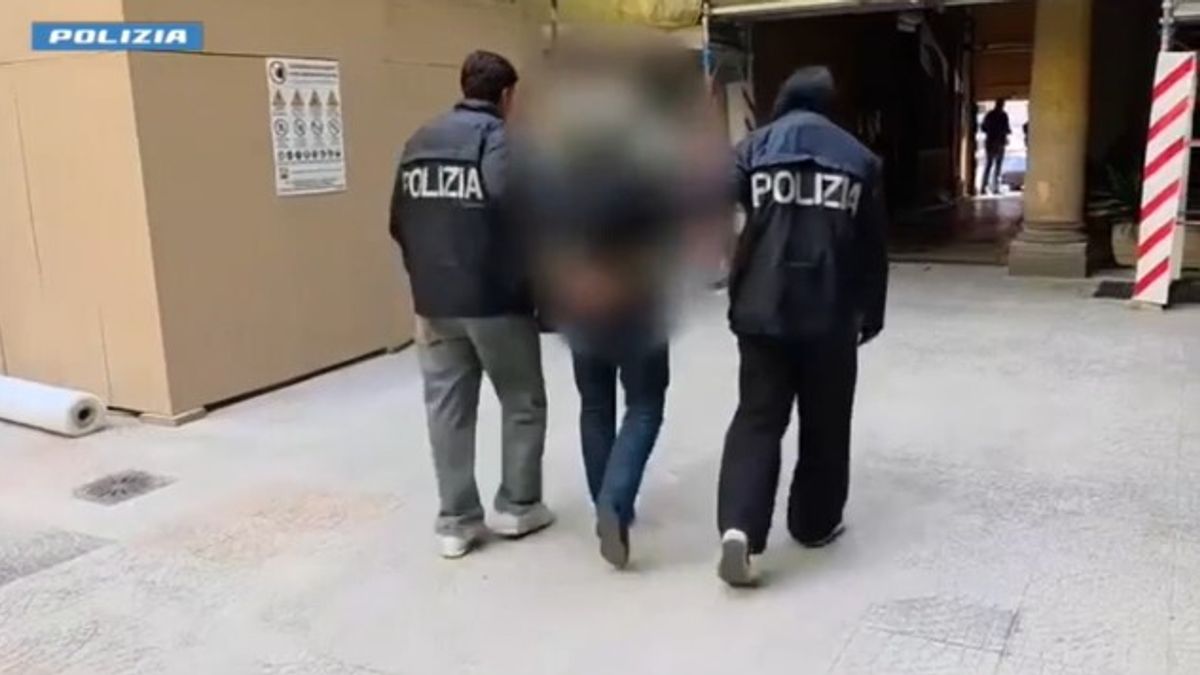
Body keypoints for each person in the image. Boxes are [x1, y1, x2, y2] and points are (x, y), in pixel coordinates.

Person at [716, 66, 888, 587]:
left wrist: (733, 273)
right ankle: (814, 523)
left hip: (761, 308)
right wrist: (871, 312)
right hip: (830, 313)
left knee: (757, 417)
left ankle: (740, 529)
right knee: (826, 421)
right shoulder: (859, 159)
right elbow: (872, 246)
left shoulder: (752, 149)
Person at [390, 51, 554, 560]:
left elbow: (398, 221)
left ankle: (456, 522)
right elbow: (517, 207)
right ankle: (518, 507)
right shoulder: (501, 139)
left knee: (447, 410)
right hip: (494, 299)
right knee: (522, 402)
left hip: (433, 302)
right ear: (507, 95)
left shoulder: (419, 140)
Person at [980, 99, 1011, 194]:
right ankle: (995, 187)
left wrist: (991, 132)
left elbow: (983, 128)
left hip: (990, 142)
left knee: (989, 164)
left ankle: (984, 187)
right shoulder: (1003, 115)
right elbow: (1006, 129)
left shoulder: (990, 115)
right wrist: (1004, 133)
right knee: (998, 166)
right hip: (999, 142)